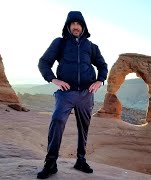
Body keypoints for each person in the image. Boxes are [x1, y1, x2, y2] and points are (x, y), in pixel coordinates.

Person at [37, 11, 108, 179]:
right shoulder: (60, 43)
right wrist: (53, 79)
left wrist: (100, 81)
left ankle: (80, 160)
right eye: (73, 24)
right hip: (65, 93)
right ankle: (51, 163)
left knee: (83, 127)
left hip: (86, 93)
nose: (76, 27)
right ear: (68, 26)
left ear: (83, 27)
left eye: (79, 24)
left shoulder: (91, 46)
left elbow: (102, 65)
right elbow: (44, 62)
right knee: (57, 120)